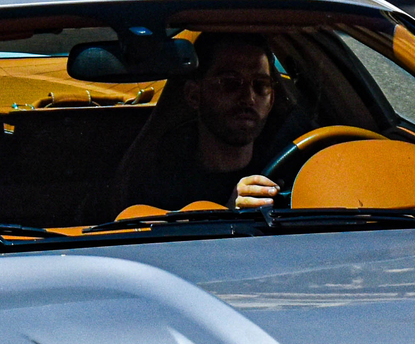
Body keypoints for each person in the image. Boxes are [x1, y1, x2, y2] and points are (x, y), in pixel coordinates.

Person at [120, 33, 290, 211]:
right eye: (230, 83)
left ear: (271, 100)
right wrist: (228, 213)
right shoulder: (159, 180)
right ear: (194, 95)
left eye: (260, 85)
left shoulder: (291, 163)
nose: (249, 98)